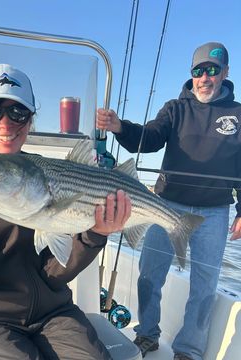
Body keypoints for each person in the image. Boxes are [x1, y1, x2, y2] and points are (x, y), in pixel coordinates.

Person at [0, 63, 132, 360]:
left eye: (18, 113)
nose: (6, 124)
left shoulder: (43, 172)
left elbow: (54, 275)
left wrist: (95, 234)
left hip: (54, 312)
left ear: (31, 119)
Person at [96, 42, 241, 360]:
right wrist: (121, 127)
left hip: (215, 212)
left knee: (204, 286)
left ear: (225, 73)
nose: (205, 78)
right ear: (192, 75)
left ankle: (188, 349)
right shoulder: (175, 109)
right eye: (199, 71)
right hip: (167, 203)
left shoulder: (238, 114)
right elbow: (149, 137)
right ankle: (146, 333)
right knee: (150, 273)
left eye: (212, 70)